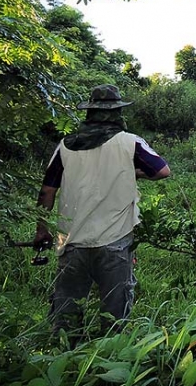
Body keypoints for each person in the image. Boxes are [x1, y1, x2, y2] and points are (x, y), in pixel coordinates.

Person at [33, 84, 170, 337]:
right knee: (116, 314)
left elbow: (47, 191)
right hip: (115, 240)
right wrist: (130, 173)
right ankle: (108, 360)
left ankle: (65, 357)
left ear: (90, 112)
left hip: (72, 239)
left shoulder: (65, 145)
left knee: (67, 312)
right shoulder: (130, 143)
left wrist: (41, 230)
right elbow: (161, 171)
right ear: (118, 111)